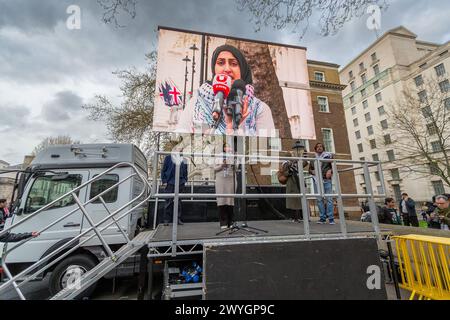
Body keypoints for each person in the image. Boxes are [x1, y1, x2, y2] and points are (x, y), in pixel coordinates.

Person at [177, 44, 275, 136]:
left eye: (234, 64)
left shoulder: (260, 109)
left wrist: (236, 128)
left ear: (242, 70)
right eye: (221, 63)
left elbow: (268, 151)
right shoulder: (196, 103)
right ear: (214, 69)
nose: (227, 69)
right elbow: (177, 144)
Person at [277, 142, 309, 222]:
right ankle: (295, 218)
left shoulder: (295, 162)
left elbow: (304, 163)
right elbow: (285, 173)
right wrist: (290, 171)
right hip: (292, 183)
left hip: (298, 182)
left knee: (299, 201)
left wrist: (304, 155)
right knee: (295, 202)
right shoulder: (286, 164)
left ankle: (300, 217)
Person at [309, 143, 335, 225]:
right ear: (315, 149)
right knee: (319, 200)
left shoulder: (328, 156)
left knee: (329, 199)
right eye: (317, 147)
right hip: (317, 181)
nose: (319, 148)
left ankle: (331, 218)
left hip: (326, 179)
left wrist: (330, 170)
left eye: (321, 147)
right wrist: (312, 171)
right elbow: (310, 170)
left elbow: (333, 165)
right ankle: (322, 218)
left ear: (323, 148)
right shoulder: (313, 158)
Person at [161, 149, 188, 225]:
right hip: (170, 182)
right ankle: (166, 220)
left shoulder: (184, 159)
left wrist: (185, 180)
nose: (180, 150)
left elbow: (185, 170)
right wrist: (164, 181)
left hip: (180, 182)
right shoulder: (168, 158)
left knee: (179, 202)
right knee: (168, 201)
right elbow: (164, 170)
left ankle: (177, 219)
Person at [214, 143, 236, 229]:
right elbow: (214, 168)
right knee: (222, 200)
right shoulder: (218, 156)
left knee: (230, 201)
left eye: (229, 146)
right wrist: (221, 165)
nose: (228, 148)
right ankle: (223, 222)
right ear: (223, 148)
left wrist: (233, 162)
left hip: (230, 180)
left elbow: (236, 168)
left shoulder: (233, 156)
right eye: (226, 146)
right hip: (221, 180)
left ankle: (230, 222)